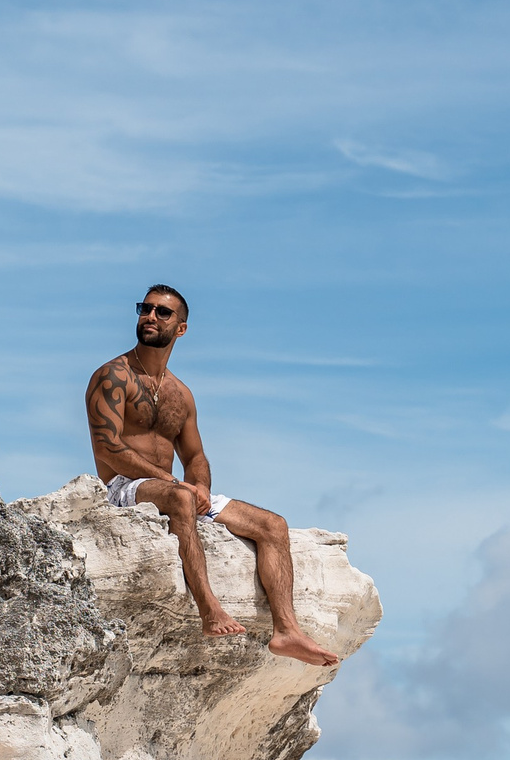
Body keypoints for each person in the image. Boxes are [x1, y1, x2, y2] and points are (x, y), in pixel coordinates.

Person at [84, 284, 343, 666]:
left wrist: (200, 485)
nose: (150, 316)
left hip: (170, 487)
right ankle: (209, 610)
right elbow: (108, 448)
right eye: (145, 308)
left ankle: (287, 631)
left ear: (181, 328)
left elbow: (194, 455)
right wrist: (179, 485)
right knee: (181, 498)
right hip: (123, 487)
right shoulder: (113, 376)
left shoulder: (180, 394)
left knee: (272, 525)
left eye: (162, 312)